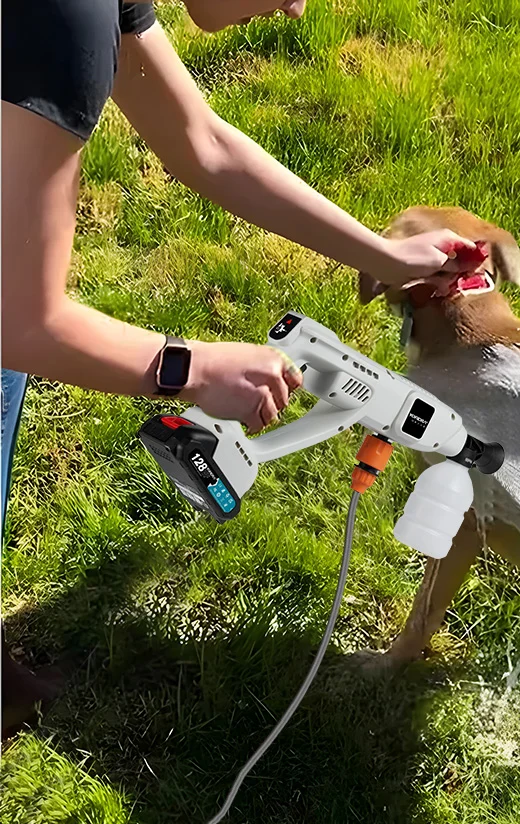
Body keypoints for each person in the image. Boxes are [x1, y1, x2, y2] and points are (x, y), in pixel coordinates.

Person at [0, 1, 476, 747]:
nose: (297, 9)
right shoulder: (58, 22)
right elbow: (17, 320)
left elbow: (203, 144)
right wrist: (188, 369)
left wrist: (383, 258)